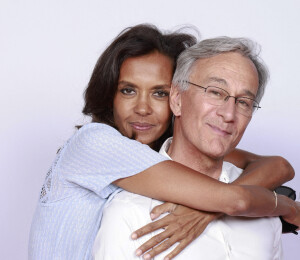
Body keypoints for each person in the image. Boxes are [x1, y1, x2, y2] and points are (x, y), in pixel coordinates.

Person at [28, 25, 296, 260]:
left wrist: (203, 214)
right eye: (128, 90)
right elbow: (233, 199)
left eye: (159, 93)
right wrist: (285, 206)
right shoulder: (94, 143)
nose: (143, 108)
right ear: (109, 93)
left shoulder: (153, 154)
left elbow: (277, 165)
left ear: (175, 99)